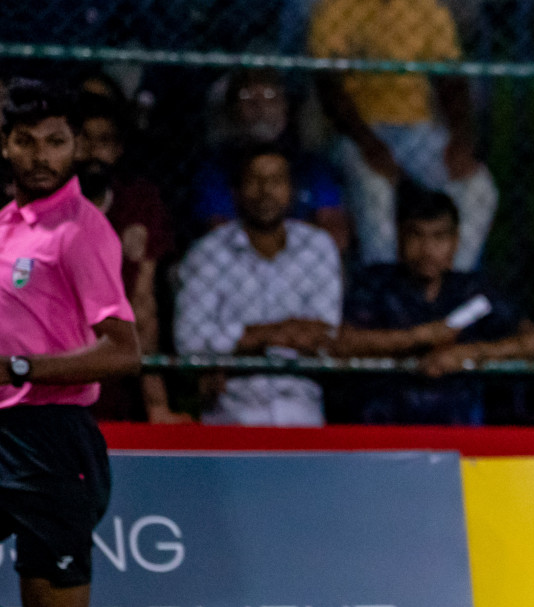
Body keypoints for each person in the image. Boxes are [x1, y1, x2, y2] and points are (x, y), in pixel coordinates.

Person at [0, 79, 206, 607]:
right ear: (6, 143)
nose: (42, 154)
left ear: (75, 145)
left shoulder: (82, 232)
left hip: (55, 446)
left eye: (56, 141)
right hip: (4, 436)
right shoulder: (6, 225)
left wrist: (21, 370)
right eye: (26, 140)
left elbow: (124, 352)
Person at [330, 187, 534, 424]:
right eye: (416, 235)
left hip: (459, 431)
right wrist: (418, 337)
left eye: (439, 237)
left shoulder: (472, 292)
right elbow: (342, 343)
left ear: (455, 242)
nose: (427, 249)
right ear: (400, 237)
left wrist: (467, 355)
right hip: (383, 427)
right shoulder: (375, 284)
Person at [309, 0, 497, 270]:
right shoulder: (337, 8)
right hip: (357, 131)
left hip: (416, 131)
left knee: (478, 186)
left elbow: (452, 80)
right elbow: (329, 88)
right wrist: (370, 146)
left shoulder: (425, 8)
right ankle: (385, 284)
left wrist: (460, 142)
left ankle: (453, 280)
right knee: (374, 185)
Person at [175, 144, 342, 426]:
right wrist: (278, 333)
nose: (265, 191)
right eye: (254, 180)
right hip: (231, 413)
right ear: (235, 191)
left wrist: (234, 344)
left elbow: (322, 334)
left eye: (276, 180)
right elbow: (188, 340)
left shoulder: (318, 247)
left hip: (303, 410)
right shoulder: (208, 252)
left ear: (291, 189)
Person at [72, 90, 188, 424]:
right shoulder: (38, 206)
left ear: (119, 149)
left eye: (105, 141)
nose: (94, 151)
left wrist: (156, 403)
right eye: (83, 140)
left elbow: (143, 303)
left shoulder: (139, 203)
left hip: (115, 372)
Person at [192, 68, 350, 256]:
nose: (259, 105)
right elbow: (218, 235)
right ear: (233, 109)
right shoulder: (216, 170)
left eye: (269, 94)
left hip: (302, 267)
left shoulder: (312, 167)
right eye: (247, 95)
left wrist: (267, 237)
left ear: (285, 106)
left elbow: (336, 236)